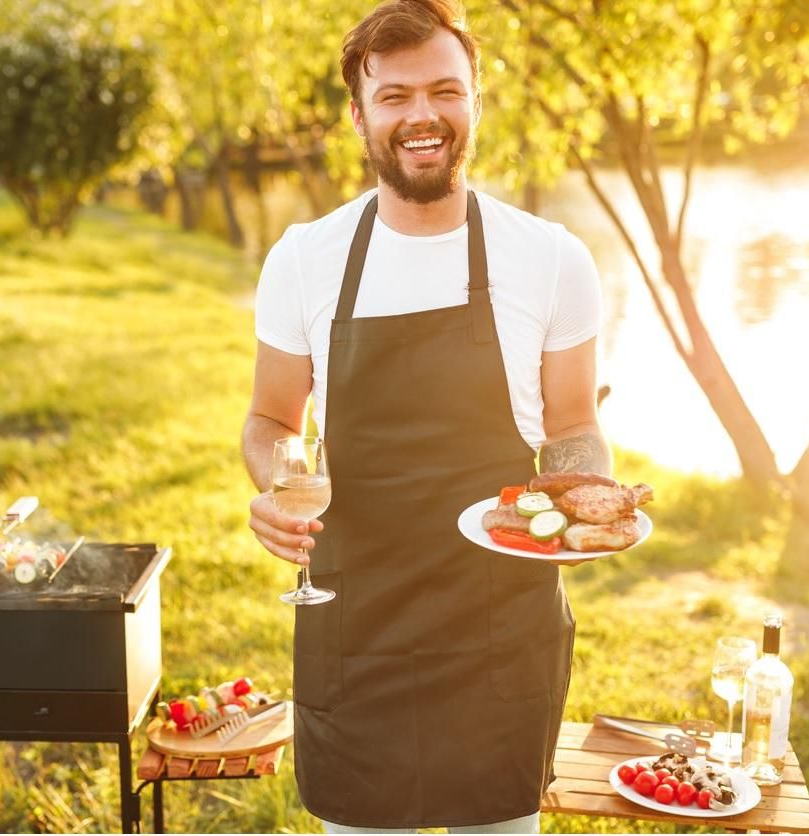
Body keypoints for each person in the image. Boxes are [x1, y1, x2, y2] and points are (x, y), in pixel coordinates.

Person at [241, 1, 611, 832]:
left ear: (476, 99)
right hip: (356, 622)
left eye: (445, 91)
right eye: (395, 96)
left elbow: (573, 423)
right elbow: (269, 420)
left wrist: (579, 502)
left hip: (501, 628)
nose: (423, 116)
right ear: (359, 114)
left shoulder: (552, 259)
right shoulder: (304, 259)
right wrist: (278, 486)